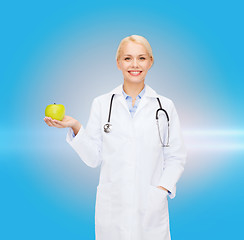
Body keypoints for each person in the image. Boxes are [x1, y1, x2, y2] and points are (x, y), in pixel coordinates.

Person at [44, 34, 187, 240]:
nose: (134, 64)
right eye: (128, 58)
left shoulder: (165, 106)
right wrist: (75, 126)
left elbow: (176, 157)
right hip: (113, 208)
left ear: (150, 62)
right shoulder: (102, 104)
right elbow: (93, 158)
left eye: (141, 58)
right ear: (118, 62)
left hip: (150, 206)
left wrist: (160, 191)